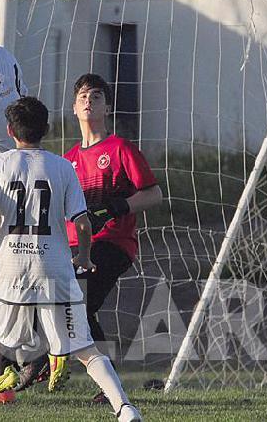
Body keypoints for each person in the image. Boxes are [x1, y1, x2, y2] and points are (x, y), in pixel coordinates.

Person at [0, 96, 143, 422]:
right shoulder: (62, 166)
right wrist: (84, 256)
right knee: (85, 347)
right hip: (53, 268)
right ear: (45, 129)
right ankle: (125, 409)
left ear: (10, 130)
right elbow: (83, 222)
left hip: (10, 269)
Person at [57, 73, 163, 401]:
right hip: (74, 245)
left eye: (97, 96)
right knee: (71, 308)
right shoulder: (67, 160)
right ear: (74, 107)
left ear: (108, 107)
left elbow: (154, 194)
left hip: (112, 243)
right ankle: (100, 378)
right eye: (84, 96)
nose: (90, 101)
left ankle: (98, 378)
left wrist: (118, 207)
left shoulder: (120, 149)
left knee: (78, 304)